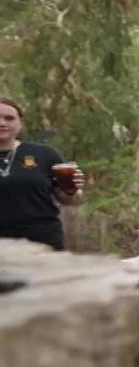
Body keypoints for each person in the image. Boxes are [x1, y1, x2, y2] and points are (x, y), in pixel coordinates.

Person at [0, 96, 86, 251]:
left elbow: (71, 200)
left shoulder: (44, 154)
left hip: (42, 242)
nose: (2, 123)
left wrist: (72, 189)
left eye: (9, 118)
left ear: (20, 123)